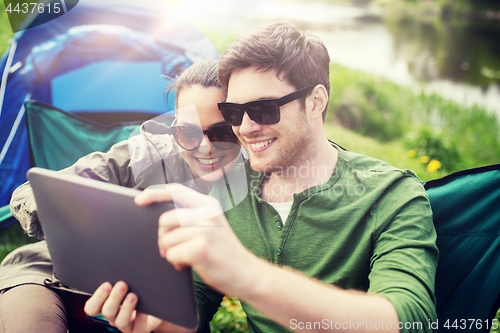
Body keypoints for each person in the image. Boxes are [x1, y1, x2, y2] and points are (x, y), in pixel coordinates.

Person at [85, 22, 438, 333]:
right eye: (234, 112)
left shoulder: (392, 194)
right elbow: (196, 305)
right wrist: (155, 323)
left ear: (315, 102)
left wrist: (250, 276)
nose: (246, 128)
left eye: (264, 109)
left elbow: (409, 321)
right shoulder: (226, 187)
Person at [0, 59, 242, 333]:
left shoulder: (255, 185)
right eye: (187, 132)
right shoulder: (146, 154)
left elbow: (199, 306)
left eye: (222, 132)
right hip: (51, 277)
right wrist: (69, 220)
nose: (204, 147)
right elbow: (29, 192)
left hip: (154, 308)